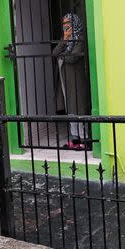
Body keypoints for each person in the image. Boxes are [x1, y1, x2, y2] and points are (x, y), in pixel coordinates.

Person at [53, 13, 90, 150]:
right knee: (70, 108)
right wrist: (64, 40)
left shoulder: (80, 39)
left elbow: (72, 59)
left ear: (75, 23)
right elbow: (54, 52)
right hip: (65, 79)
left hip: (76, 80)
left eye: (68, 22)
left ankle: (85, 140)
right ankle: (75, 140)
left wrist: (62, 55)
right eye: (64, 23)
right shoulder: (65, 39)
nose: (66, 25)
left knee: (78, 107)